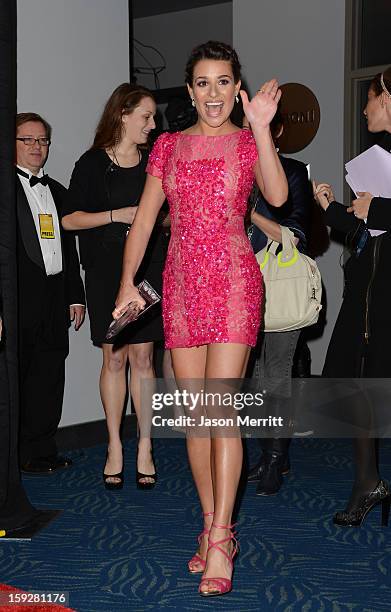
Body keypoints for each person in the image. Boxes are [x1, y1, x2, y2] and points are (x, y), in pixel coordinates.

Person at [114, 41, 288, 596]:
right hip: (183, 284)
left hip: (236, 281)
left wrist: (260, 127)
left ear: (237, 86)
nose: (213, 94)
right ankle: (213, 524)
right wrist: (124, 285)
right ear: (188, 91)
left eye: (223, 82)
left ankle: (219, 537)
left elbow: (278, 195)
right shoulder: (166, 147)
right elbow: (142, 224)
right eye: (202, 83)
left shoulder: (245, 141)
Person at [62, 84, 165, 490]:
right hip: (106, 272)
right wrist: (117, 214)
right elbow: (69, 220)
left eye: (153, 117)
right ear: (123, 114)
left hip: (148, 269)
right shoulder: (91, 164)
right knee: (115, 360)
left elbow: (166, 215)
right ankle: (113, 446)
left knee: (144, 360)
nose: (152, 125)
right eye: (146, 116)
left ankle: (144, 445)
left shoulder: (154, 162)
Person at [313, 67, 391, 526]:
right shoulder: (378, 157)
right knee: (360, 385)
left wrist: (374, 207)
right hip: (365, 290)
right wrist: (331, 209)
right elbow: (365, 230)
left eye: (371, 98)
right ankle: (368, 482)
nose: (364, 109)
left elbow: (378, 215)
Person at [245, 106, 311, 495]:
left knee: (275, 373)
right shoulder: (234, 165)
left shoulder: (293, 172)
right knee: (249, 380)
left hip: (279, 285)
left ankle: (273, 460)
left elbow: (296, 235)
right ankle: (272, 452)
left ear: (279, 132)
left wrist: (251, 214)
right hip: (236, 285)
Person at [16, 112, 85, 474]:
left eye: (42, 140)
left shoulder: (57, 191)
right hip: (17, 300)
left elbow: (68, 250)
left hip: (53, 298)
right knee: (17, 377)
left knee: (49, 375)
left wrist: (75, 295)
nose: (36, 147)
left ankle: (41, 450)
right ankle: (14, 454)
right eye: (27, 140)